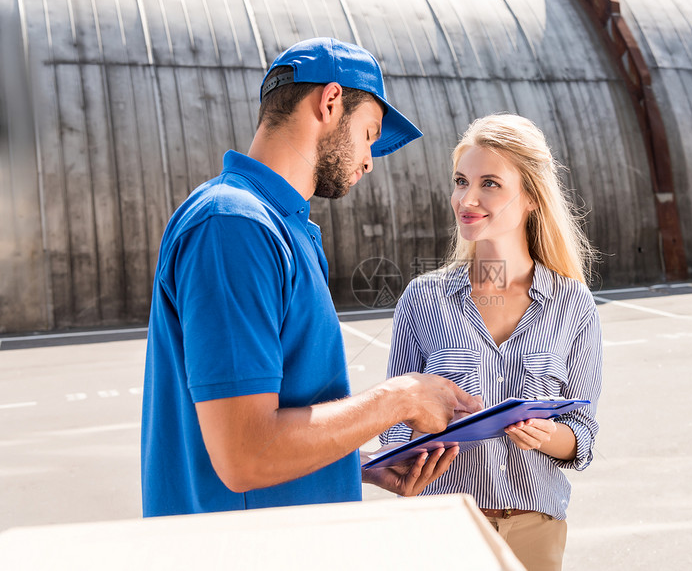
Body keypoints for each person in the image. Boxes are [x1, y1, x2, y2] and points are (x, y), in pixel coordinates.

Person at [140, 37, 481, 518]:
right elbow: (246, 453)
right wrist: (402, 397)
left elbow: (276, 422)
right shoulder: (234, 226)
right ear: (330, 102)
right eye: (369, 134)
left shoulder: (281, 228)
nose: (369, 160)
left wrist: (354, 461)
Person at [380, 114, 602, 571]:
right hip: (444, 526)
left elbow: (582, 436)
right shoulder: (424, 298)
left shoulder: (572, 303)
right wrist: (414, 440)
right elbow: (394, 429)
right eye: (461, 182)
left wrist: (545, 436)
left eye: (490, 184)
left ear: (531, 198)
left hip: (536, 530)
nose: (468, 198)